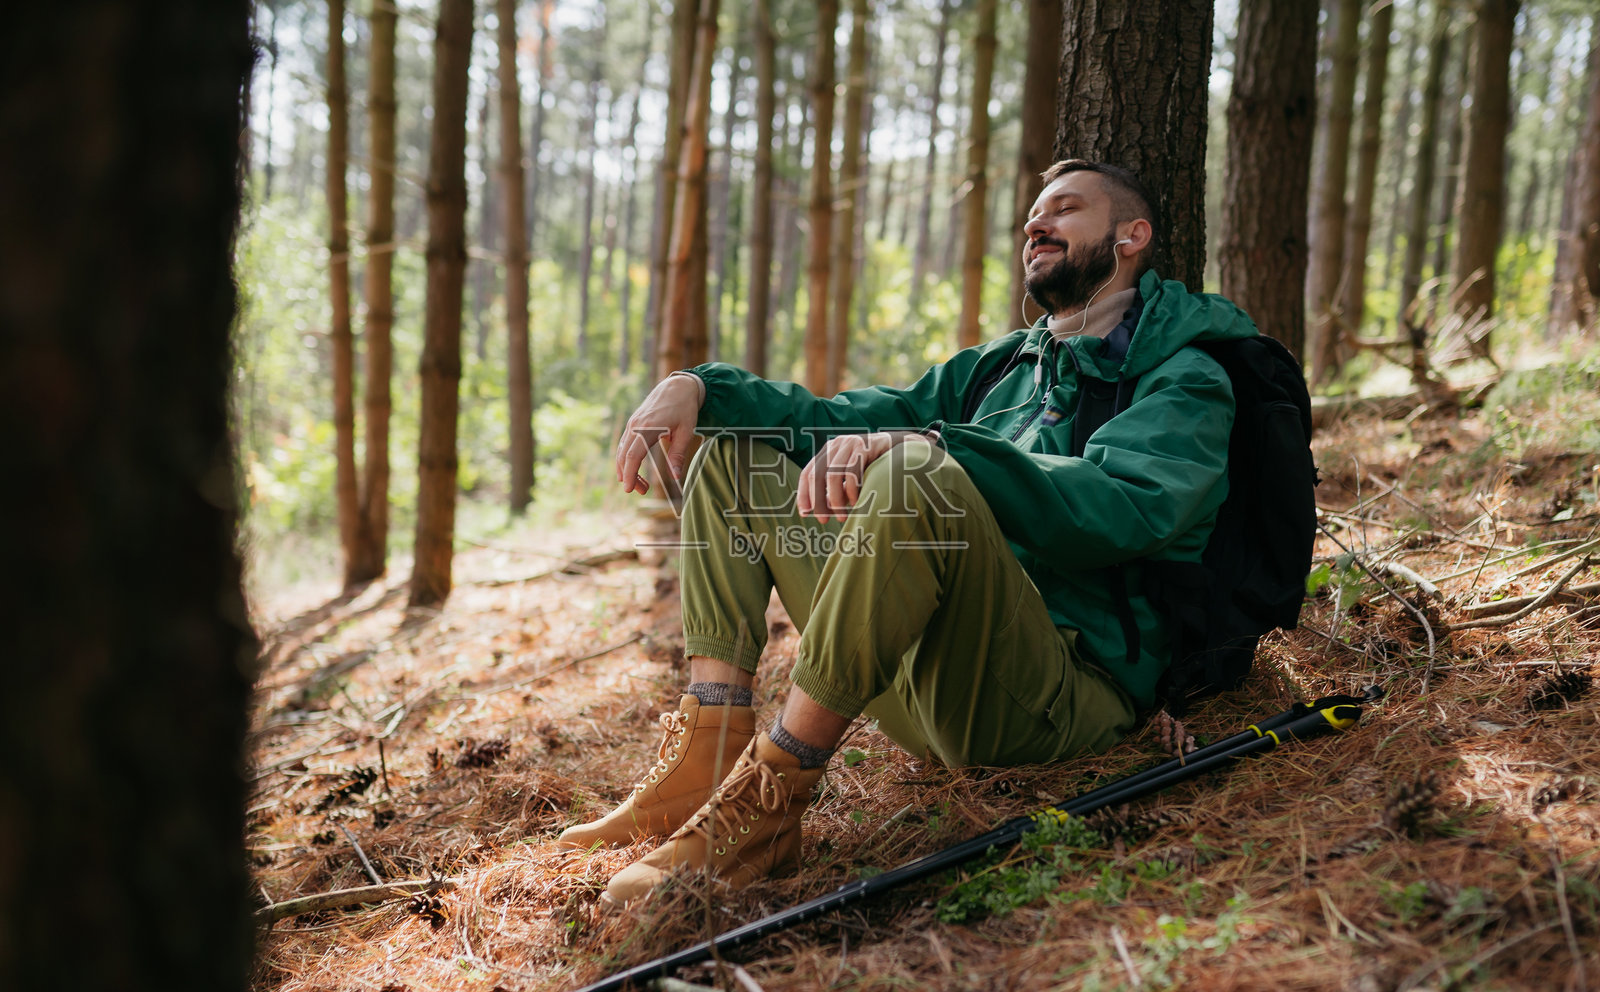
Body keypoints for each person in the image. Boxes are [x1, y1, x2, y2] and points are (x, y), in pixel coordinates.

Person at [559, 160, 1259, 907]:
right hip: (937, 676)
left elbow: (1128, 508)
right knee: (739, 452)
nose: (1035, 224)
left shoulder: (1184, 378)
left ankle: (770, 800)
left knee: (918, 469)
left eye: (1065, 208)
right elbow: (848, 417)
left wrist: (940, 448)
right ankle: (709, 753)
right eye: (1031, 215)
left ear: (1132, 235)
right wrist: (701, 385)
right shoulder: (1004, 367)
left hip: (1061, 692)